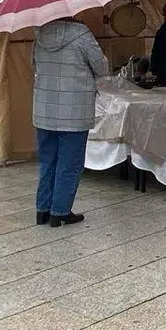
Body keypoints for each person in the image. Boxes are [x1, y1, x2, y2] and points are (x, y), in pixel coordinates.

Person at [32, 17, 109, 228]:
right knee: (70, 162)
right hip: (74, 109)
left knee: (48, 161)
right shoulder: (82, 34)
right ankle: (60, 211)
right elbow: (101, 68)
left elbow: (34, 66)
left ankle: (43, 210)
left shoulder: (39, 35)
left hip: (44, 109)